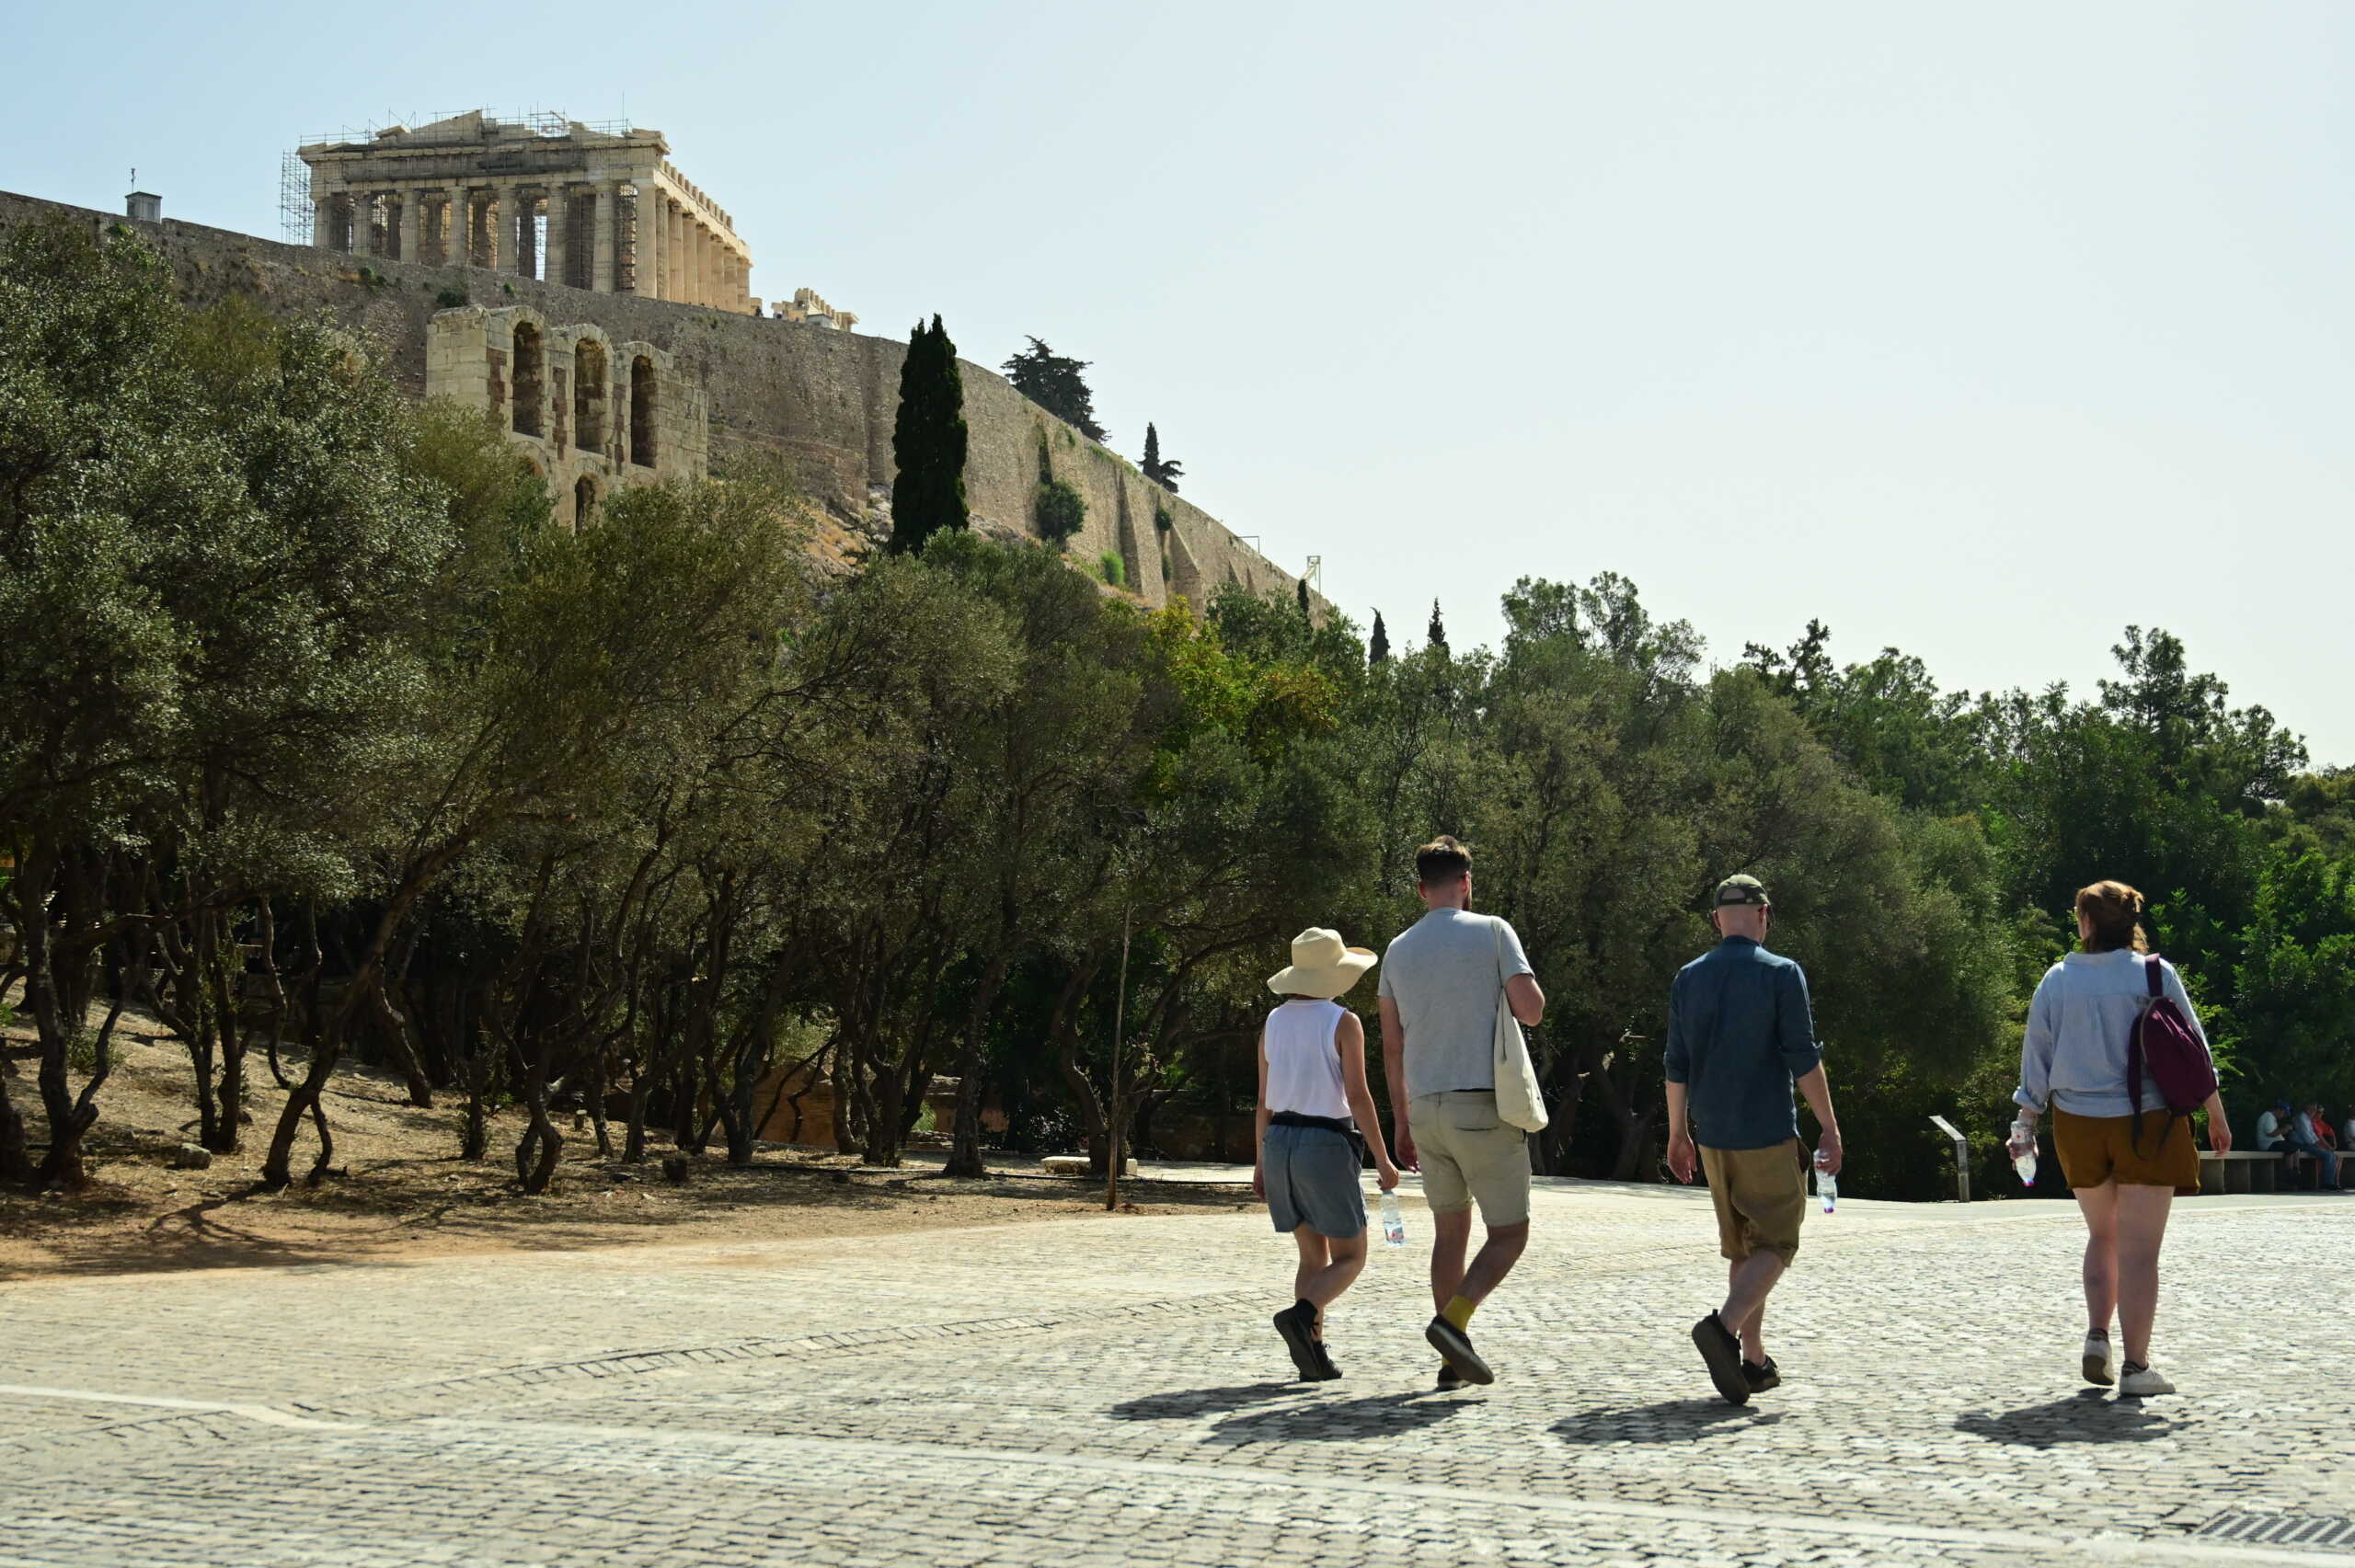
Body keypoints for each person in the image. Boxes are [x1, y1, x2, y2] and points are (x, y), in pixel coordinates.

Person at [2010, 880, 2229, 1398]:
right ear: (2130, 925)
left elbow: (2035, 1059)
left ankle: (2096, 1337)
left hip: (2077, 1126)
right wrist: (2216, 1114)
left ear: (2085, 924)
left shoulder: (2056, 980)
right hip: (2147, 1124)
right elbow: (2194, 1051)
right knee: (2139, 1252)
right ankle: (2136, 1368)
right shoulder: (2155, 974)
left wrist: (2025, 1127)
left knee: (2101, 1235)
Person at [1664, 874, 1840, 1406]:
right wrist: (1829, 1126)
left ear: (1717, 921)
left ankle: (1753, 1360)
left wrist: (1677, 1133)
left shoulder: (1688, 977)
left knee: (1745, 1247)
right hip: (1766, 1132)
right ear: (1765, 914)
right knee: (1778, 1243)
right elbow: (1802, 1057)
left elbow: (1677, 1063)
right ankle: (1724, 1327)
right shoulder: (1782, 973)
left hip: (1712, 1136)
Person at [1380, 835, 1545, 1390]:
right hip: (1482, 1102)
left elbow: (1392, 1045)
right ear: (1467, 883)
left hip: (1424, 1105)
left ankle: (1453, 1360)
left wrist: (1400, 1121)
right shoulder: (1494, 931)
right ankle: (1453, 1323)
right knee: (1510, 1233)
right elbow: (1533, 1010)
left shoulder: (1398, 949)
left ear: (1422, 888)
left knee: (1450, 1233)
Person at [1254, 927, 1403, 1381]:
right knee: (1351, 1256)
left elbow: (1263, 1100)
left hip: (1278, 1141)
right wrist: (1383, 1157)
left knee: (1310, 1257)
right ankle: (1302, 1316)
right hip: (1324, 1143)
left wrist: (1260, 1161)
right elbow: (1358, 1096)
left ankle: (1313, 1357)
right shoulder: (1343, 1021)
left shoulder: (1273, 1022)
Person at [2288, 1103, 2341, 1191]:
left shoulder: (2307, 1118)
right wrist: (2321, 1146)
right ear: (2309, 1109)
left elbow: (2313, 1136)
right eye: (2314, 1110)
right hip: (2300, 1144)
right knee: (2328, 1155)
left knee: (2331, 1155)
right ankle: (2328, 1183)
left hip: (2307, 1143)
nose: (2315, 1112)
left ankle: (2329, 1182)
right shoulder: (2301, 1119)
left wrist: (2323, 1146)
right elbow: (2307, 1138)